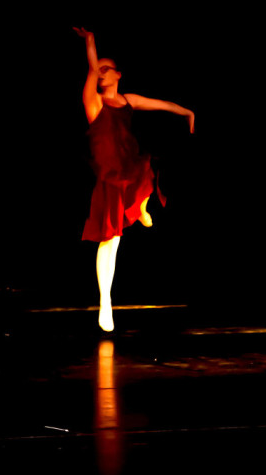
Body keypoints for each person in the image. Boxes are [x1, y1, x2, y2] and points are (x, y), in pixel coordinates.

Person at [73, 26, 194, 332]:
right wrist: (90, 41)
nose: (100, 73)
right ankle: (105, 302)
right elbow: (91, 69)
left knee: (148, 169)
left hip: (130, 168)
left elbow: (161, 104)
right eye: (98, 69)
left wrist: (187, 112)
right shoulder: (93, 102)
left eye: (106, 69)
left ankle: (139, 207)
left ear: (118, 74)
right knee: (110, 241)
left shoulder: (128, 100)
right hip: (110, 178)